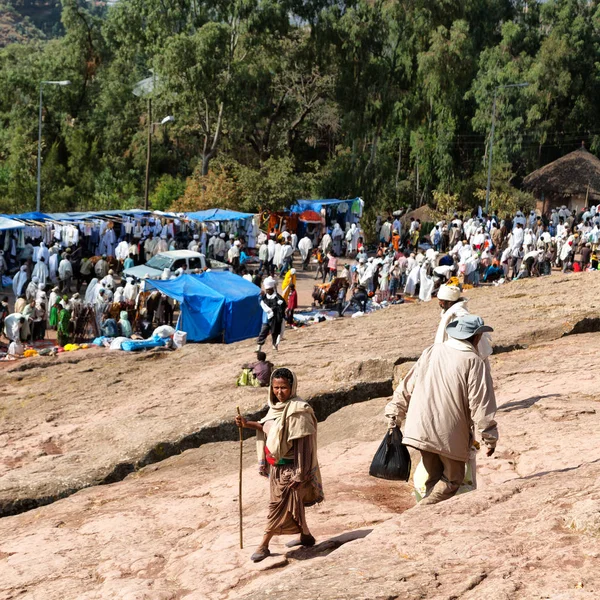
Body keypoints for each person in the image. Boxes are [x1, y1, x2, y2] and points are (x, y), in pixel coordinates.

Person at [385, 315, 498, 505]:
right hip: (448, 433)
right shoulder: (473, 361)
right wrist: (489, 437)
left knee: (433, 475)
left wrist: (394, 414)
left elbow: (406, 386)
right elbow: (481, 404)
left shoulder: (432, 350)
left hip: (420, 426)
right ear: (477, 337)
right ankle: (421, 513)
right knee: (453, 481)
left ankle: (426, 513)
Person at [234, 368, 323, 562]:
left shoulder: (299, 411)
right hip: (276, 468)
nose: (279, 392)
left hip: (292, 469)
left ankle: (263, 545)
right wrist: (246, 423)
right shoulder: (275, 408)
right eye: (275, 388)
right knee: (293, 504)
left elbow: (304, 445)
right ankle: (306, 536)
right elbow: (267, 427)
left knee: (277, 507)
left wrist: (300, 473)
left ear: (292, 387)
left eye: (283, 387)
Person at [256, 277, 287, 351]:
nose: (268, 291)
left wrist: (275, 308)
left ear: (273, 289)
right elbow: (260, 302)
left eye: (269, 290)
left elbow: (283, 306)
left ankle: (274, 345)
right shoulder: (264, 297)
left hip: (275, 319)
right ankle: (259, 346)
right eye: (267, 290)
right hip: (266, 319)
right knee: (263, 332)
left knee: (274, 332)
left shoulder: (278, 297)